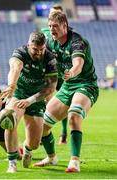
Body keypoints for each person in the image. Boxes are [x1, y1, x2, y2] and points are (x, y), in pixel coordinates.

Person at [34, 11, 99, 173]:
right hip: (67, 87)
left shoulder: (77, 42)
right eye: (50, 26)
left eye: (55, 26)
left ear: (65, 25)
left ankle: (74, 161)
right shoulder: (50, 41)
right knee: (42, 126)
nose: (52, 29)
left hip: (85, 84)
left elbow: (78, 64)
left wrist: (71, 72)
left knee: (74, 116)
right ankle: (51, 157)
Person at [0, 31, 57, 173]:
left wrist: (30, 100)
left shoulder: (50, 59)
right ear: (28, 45)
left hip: (36, 98)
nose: (38, 53)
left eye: (41, 49)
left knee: (35, 143)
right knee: (9, 118)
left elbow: (51, 88)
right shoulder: (20, 52)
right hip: (19, 94)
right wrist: (12, 86)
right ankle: (12, 162)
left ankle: (27, 149)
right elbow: (15, 68)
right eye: (35, 49)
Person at [41, 4, 68, 144]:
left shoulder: (67, 33)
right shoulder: (44, 31)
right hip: (50, 72)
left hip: (63, 73)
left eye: (57, 14)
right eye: (52, 14)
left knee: (64, 102)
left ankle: (63, 133)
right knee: (45, 100)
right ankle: (43, 132)